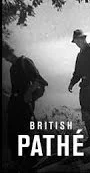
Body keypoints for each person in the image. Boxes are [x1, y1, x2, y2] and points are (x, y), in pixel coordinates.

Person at [2, 41, 48, 171]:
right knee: (12, 133)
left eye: (6, 55)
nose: (6, 59)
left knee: (23, 133)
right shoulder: (12, 68)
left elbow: (39, 81)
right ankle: (18, 162)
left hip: (25, 105)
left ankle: (31, 162)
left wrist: (28, 93)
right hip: (14, 106)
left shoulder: (25, 62)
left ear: (9, 52)